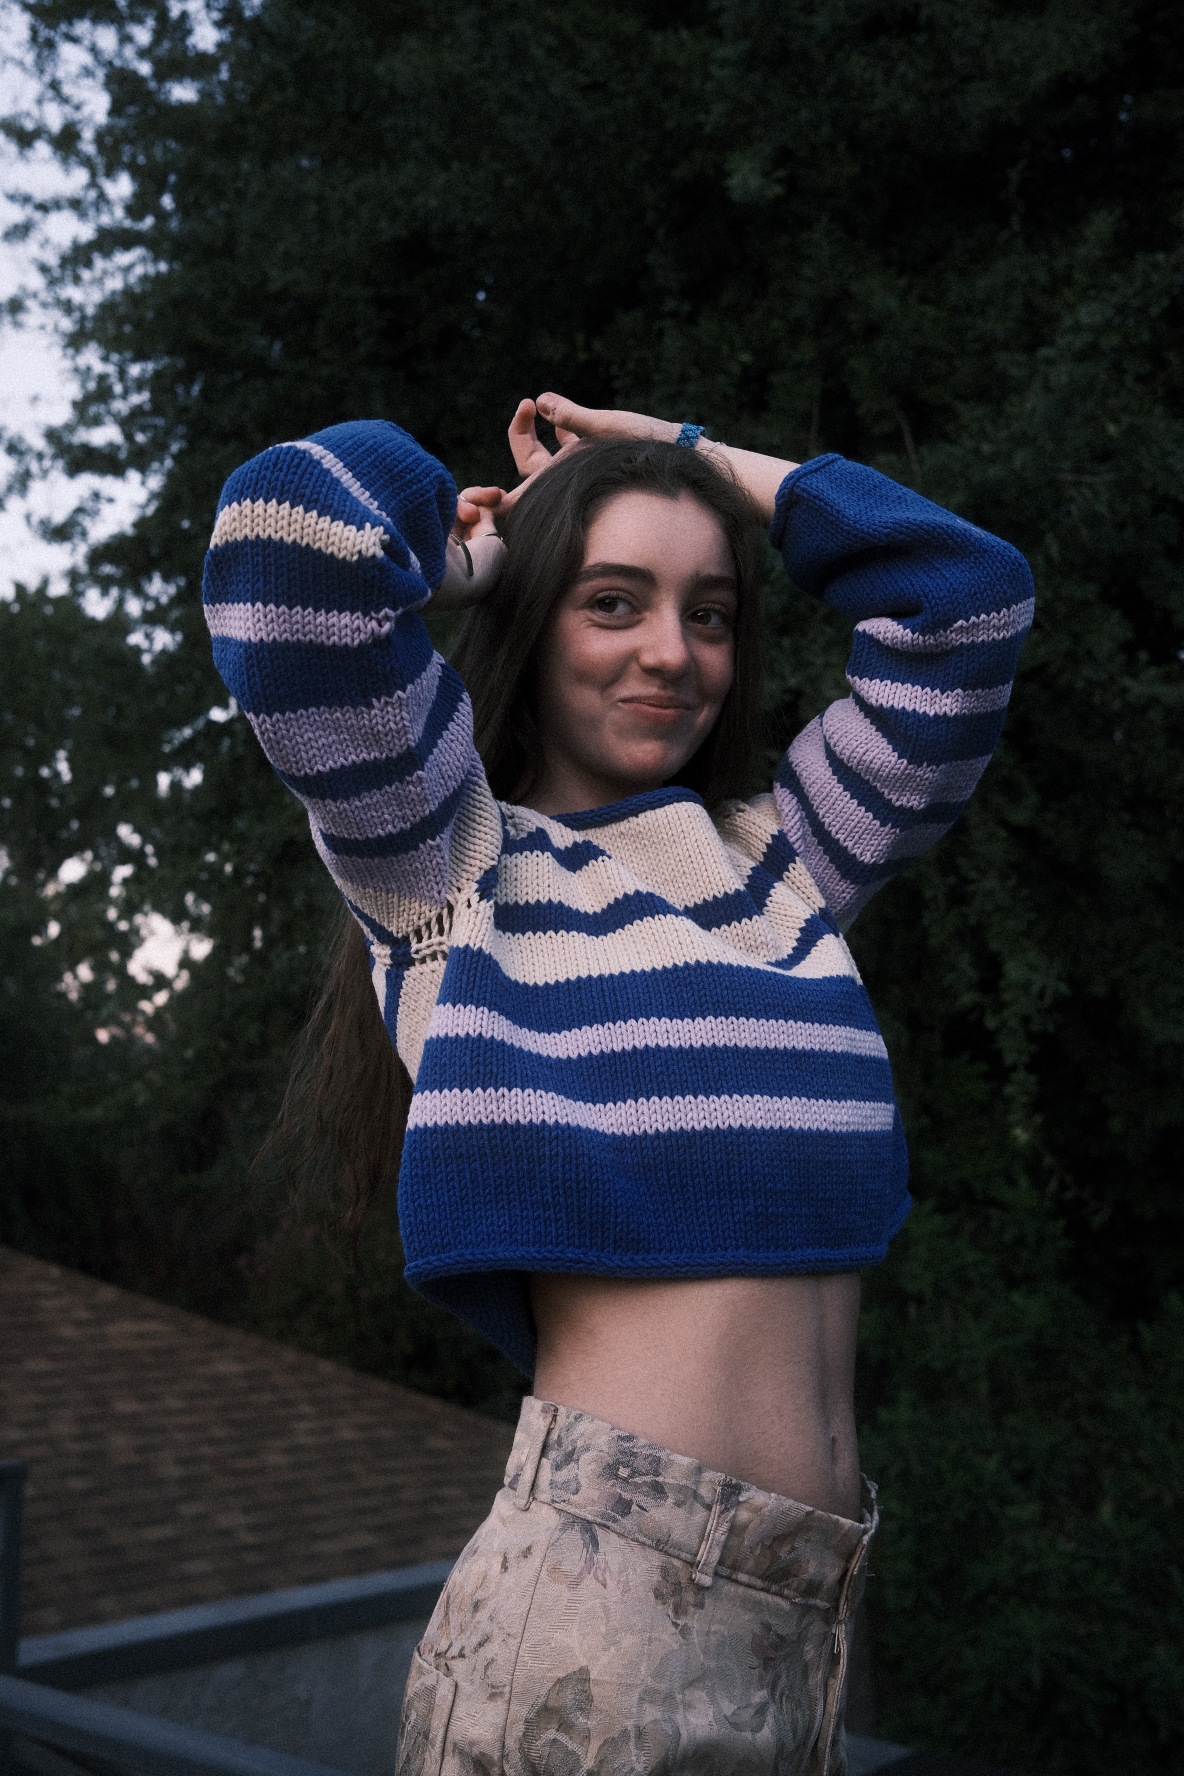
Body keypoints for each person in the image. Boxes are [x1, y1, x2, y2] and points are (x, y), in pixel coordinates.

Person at [202, 393, 1033, 1775]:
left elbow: (969, 602)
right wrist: (470, 561)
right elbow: (291, 533)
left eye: (711, 613)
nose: (671, 652)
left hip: (811, 1613)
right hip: (601, 1618)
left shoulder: (782, 865)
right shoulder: (451, 864)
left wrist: (685, 452)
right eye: (611, 603)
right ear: (535, 624)